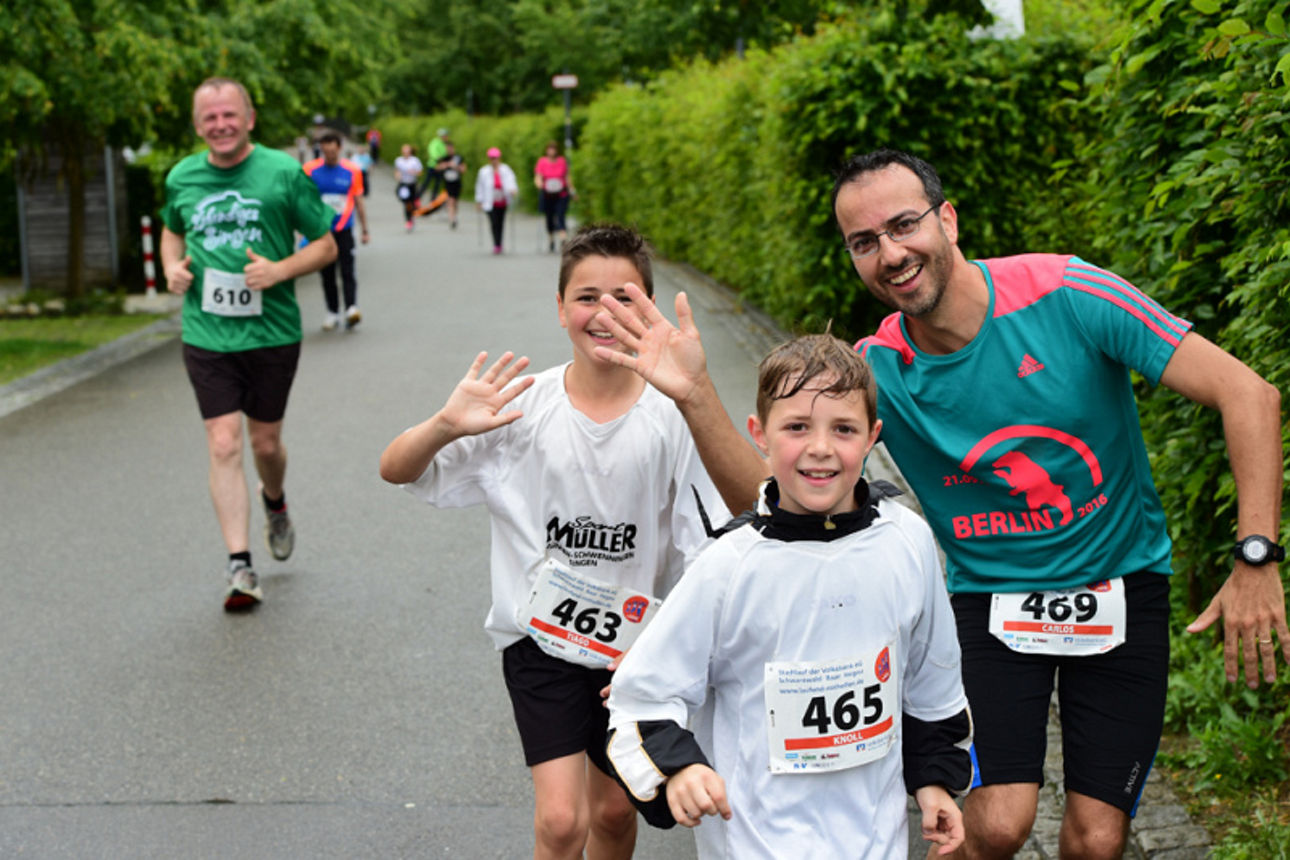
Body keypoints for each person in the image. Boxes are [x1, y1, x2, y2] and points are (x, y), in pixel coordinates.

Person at [590, 147, 1288, 860]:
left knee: (1097, 839)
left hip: (1119, 584)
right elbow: (786, 496)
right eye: (864, 243)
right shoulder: (879, 369)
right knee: (992, 827)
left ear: (947, 220)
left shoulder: (1069, 292)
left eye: (903, 225)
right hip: (988, 600)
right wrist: (695, 397)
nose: (890, 253)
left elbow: (1249, 394)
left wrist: (1256, 555)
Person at [379, 224, 729, 860]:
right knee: (563, 822)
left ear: (649, 310)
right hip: (538, 642)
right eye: (587, 297)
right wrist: (444, 424)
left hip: (631, 648)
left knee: (615, 812)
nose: (605, 313)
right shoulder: (521, 407)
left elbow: (706, 550)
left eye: (625, 298)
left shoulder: (670, 417)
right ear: (561, 308)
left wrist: (668, 646)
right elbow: (397, 469)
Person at [606, 333, 972, 858]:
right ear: (761, 434)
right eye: (797, 427)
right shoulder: (727, 567)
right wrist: (680, 767)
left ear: (872, 437)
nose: (820, 448)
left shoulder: (907, 542)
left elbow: (930, 680)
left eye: (843, 429)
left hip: (874, 840)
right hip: (756, 840)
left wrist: (934, 779)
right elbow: (641, 697)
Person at [159, 76, 337, 611]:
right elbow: (171, 229)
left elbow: (326, 244)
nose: (220, 125)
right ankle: (240, 567)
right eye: (209, 118)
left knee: (264, 444)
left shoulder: (282, 172)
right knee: (222, 442)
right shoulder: (182, 177)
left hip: (272, 331)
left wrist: (280, 268)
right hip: (207, 331)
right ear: (197, 125)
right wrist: (172, 267)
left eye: (229, 115)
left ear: (249, 118)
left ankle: (275, 503)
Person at [303, 132, 369, 330]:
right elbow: (305, 202)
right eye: (325, 150)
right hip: (321, 231)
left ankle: (351, 308)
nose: (329, 154)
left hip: (344, 229)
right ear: (321, 150)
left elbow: (358, 200)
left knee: (348, 270)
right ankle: (332, 312)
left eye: (333, 150)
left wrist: (365, 229)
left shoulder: (352, 171)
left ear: (339, 148)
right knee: (327, 274)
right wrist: (303, 230)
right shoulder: (310, 170)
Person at [475, 146, 518, 255]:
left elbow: (511, 181)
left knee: (500, 222)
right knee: (494, 222)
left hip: (502, 200)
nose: (494, 160)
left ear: (499, 158)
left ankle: (499, 243)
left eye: (496, 158)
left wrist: (513, 190)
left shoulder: (505, 169)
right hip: (489, 201)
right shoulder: (483, 171)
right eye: (492, 158)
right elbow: (479, 187)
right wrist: (479, 201)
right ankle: (496, 244)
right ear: (489, 159)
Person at [534, 140, 575, 253]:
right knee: (549, 217)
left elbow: (567, 177)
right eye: (550, 149)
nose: (551, 151)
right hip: (548, 194)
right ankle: (551, 238)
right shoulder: (542, 162)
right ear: (547, 150)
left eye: (554, 149)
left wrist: (572, 191)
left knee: (561, 214)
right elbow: (538, 176)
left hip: (561, 193)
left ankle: (563, 238)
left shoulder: (562, 161)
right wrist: (539, 184)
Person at [392, 143, 423, 232]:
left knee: (410, 203)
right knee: (406, 202)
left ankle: (410, 217)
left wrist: (414, 172)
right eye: (404, 151)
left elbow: (420, 172)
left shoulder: (415, 160)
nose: (406, 153)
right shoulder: (398, 160)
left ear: (410, 152)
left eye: (407, 151)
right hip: (403, 184)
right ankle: (409, 219)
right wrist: (397, 176)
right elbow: (396, 171)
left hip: (412, 183)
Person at [436, 141, 467, 229]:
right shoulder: (443, 158)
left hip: (456, 182)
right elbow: (437, 168)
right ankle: (452, 219)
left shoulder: (458, 158)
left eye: (450, 148)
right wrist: (445, 165)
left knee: (455, 201)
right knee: (451, 200)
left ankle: (454, 216)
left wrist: (456, 167)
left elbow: (463, 169)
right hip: (447, 183)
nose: (449, 150)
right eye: (447, 148)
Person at [419, 127, 450, 201]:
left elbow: (446, 154)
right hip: (433, 166)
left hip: (441, 166)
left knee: (437, 184)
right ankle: (418, 197)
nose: (447, 137)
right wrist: (440, 162)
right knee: (427, 182)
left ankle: (433, 199)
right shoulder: (435, 142)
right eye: (445, 135)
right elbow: (433, 154)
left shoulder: (444, 143)